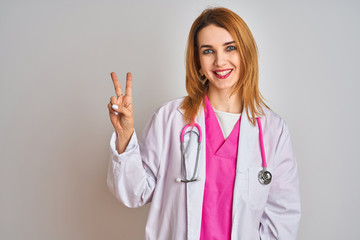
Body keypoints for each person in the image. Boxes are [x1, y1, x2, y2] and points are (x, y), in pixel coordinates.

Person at [107, 7, 301, 240]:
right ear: (198, 61)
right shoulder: (170, 119)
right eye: (208, 51)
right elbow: (133, 193)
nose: (220, 61)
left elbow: (282, 219)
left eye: (230, 48)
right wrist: (125, 135)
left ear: (246, 53)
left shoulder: (273, 131)